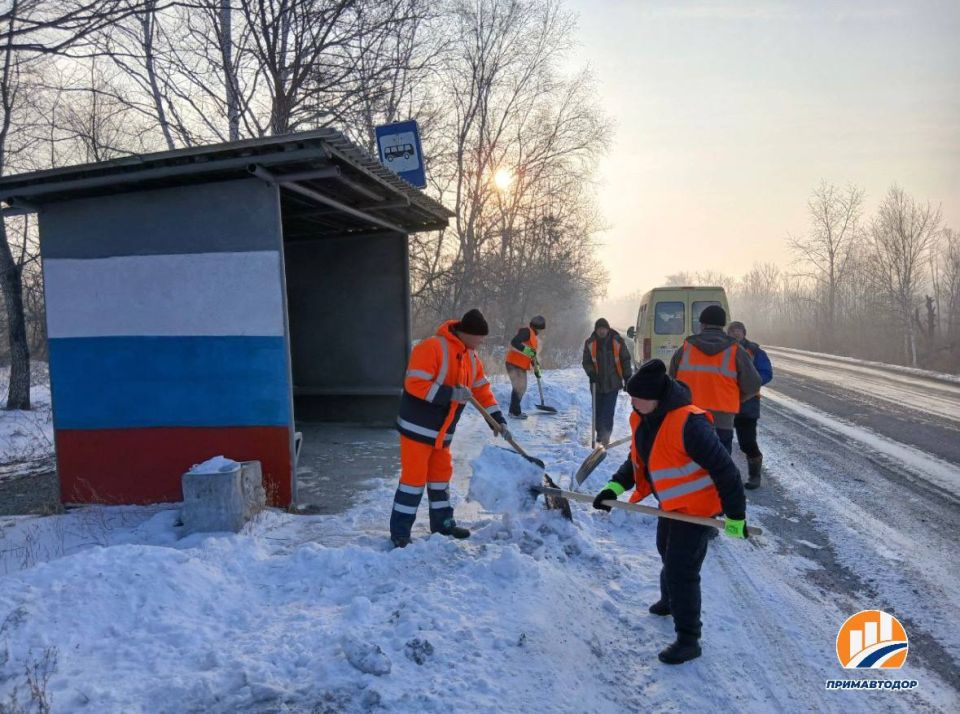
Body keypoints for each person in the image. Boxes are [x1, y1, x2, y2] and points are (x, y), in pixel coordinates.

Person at [592, 359, 748, 664]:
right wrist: (613, 489)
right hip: (673, 506)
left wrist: (735, 517)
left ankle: (689, 639)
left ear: (656, 399)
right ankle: (670, 599)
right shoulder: (644, 418)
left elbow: (726, 470)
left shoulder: (690, 424)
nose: (632, 403)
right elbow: (638, 462)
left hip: (699, 510)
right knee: (665, 549)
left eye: (637, 398)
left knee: (681, 569)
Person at [392, 309, 510, 548]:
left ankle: (443, 524)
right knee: (413, 481)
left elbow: (481, 390)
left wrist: (496, 418)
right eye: (479, 337)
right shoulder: (432, 348)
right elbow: (414, 384)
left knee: (440, 479)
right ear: (467, 333)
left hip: (441, 433)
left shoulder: (471, 357)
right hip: (417, 429)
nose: (482, 341)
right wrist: (450, 394)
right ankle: (400, 533)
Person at [668, 305, 761, 453]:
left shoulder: (685, 349)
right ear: (723, 325)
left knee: (691, 468)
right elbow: (753, 385)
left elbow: (670, 383)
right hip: (722, 421)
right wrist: (736, 398)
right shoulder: (736, 350)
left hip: (689, 417)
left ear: (702, 324)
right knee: (720, 468)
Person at [727, 321, 773, 489]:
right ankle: (726, 477)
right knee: (722, 442)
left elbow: (766, 373)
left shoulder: (754, 351)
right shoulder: (723, 351)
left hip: (748, 405)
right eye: (731, 330)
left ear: (744, 333)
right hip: (724, 404)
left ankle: (754, 476)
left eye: (738, 330)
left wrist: (750, 384)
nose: (735, 333)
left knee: (747, 443)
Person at [582, 317, 633, 446]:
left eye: (604, 329)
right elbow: (586, 361)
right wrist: (591, 373)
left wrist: (627, 377)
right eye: (599, 329)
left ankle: (606, 436)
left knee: (608, 411)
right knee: (597, 410)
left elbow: (625, 359)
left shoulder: (617, 341)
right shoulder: (590, 343)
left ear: (608, 329)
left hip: (613, 382)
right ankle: (599, 432)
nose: (602, 331)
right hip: (596, 383)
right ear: (596, 330)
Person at [505, 315, 546, 419]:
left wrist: (536, 367)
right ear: (538, 327)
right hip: (514, 363)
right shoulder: (526, 331)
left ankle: (513, 412)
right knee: (519, 387)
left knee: (520, 387)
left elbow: (531, 354)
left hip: (519, 364)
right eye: (540, 329)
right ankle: (515, 412)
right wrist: (528, 351)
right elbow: (514, 342)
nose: (540, 331)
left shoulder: (532, 338)